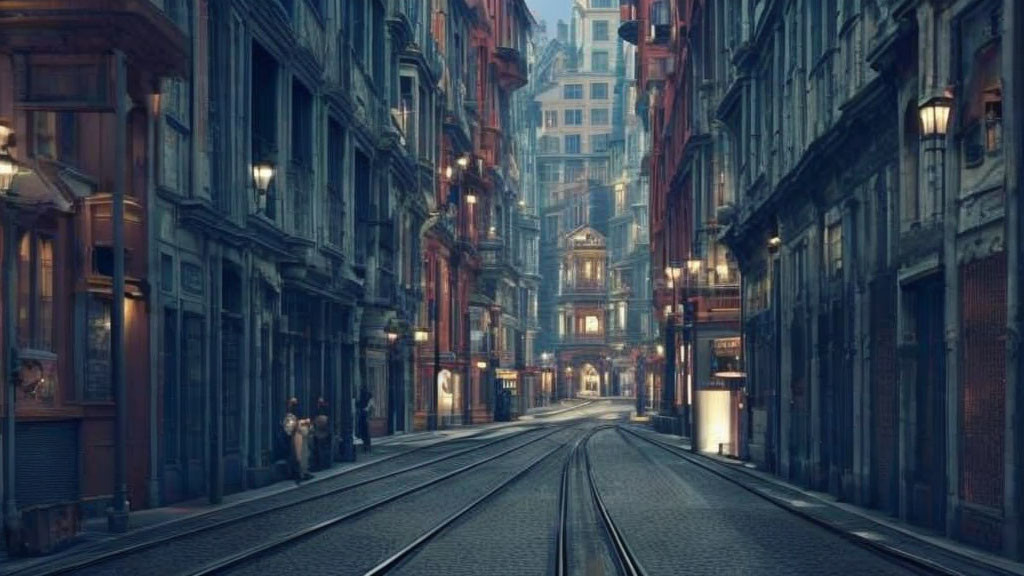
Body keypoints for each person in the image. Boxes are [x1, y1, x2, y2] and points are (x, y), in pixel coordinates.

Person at [312, 397, 331, 471]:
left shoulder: (320, 412)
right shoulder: (325, 411)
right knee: (322, 450)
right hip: (322, 434)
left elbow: (317, 422)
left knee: (319, 450)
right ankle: (323, 464)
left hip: (320, 434)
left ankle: (320, 464)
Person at [357, 384, 373, 453]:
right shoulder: (366, 394)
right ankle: (366, 445)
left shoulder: (366, 395)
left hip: (364, 413)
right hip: (363, 412)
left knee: (364, 430)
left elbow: (370, 403)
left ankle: (366, 445)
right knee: (364, 430)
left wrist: (366, 409)